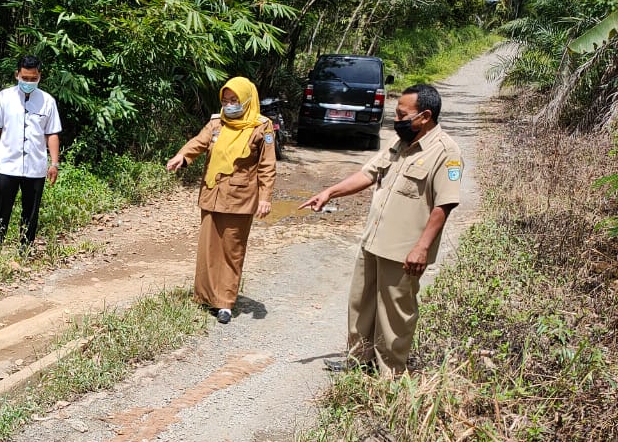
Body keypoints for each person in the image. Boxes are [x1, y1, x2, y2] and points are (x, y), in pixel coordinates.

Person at [299, 83, 463, 375]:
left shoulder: (446, 153)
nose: (397, 120)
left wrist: (421, 247)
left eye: (402, 115)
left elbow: (444, 205)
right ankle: (359, 360)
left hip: (404, 251)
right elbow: (367, 173)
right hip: (374, 240)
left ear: (424, 116)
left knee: (395, 314)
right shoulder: (400, 143)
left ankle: (390, 374)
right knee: (361, 305)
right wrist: (329, 193)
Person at [166, 76, 275, 324]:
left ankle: (225, 302)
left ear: (246, 100)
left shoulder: (261, 126)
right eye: (225, 100)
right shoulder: (217, 122)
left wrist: (265, 197)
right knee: (208, 247)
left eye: (234, 100)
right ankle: (205, 297)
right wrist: (182, 157)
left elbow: (267, 166)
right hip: (212, 192)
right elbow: (199, 142)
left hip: (240, 197)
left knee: (231, 250)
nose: (228, 105)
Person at [0, 55, 63, 251]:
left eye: (33, 79)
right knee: (0, 208)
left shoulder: (47, 101)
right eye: (25, 78)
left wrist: (54, 163)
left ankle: (25, 249)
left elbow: (52, 133)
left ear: (39, 77)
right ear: (17, 75)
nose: (29, 82)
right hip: (7, 165)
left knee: (31, 210)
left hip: (35, 167)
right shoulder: (4, 97)